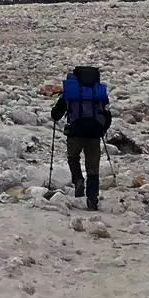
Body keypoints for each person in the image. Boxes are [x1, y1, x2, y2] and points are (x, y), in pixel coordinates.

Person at [50, 64, 112, 210]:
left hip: (75, 132)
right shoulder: (98, 91)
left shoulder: (72, 91)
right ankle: (92, 201)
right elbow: (107, 114)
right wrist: (102, 130)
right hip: (94, 134)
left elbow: (56, 115)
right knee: (93, 169)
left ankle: (78, 180)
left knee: (73, 158)